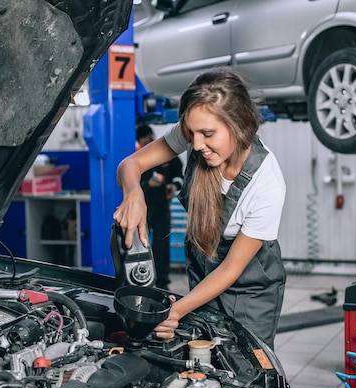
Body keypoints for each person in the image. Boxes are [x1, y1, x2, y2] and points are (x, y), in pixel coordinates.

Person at [113, 68, 287, 349]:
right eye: (190, 133)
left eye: (207, 134)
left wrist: (177, 311)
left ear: (240, 123)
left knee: (244, 373)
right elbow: (130, 165)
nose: (195, 145)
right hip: (205, 276)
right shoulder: (197, 133)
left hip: (250, 293)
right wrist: (134, 193)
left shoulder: (267, 183)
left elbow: (230, 269)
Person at [135, 124, 183, 290]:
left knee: (162, 247)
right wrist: (148, 184)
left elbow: (179, 175)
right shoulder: (138, 157)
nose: (148, 141)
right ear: (139, 141)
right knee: (141, 245)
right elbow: (133, 183)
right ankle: (142, 280)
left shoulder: (165, 155)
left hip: (162, 208)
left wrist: (173, 186)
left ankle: (162, 283)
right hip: (144, 210)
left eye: (150, 137)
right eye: (144, 139)